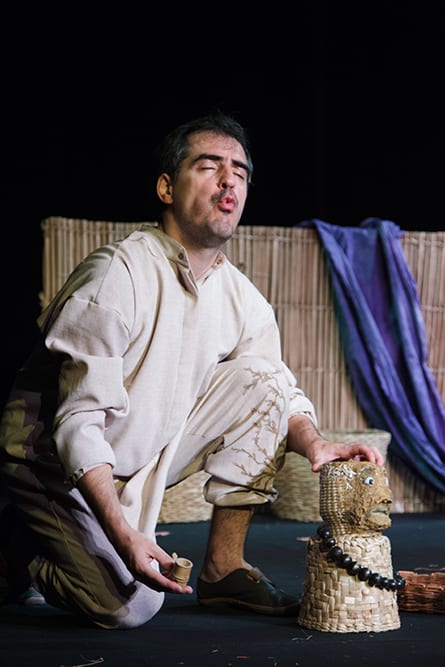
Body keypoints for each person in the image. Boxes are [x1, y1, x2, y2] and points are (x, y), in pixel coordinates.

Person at [0, 112, 384, 630]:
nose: (229, 181)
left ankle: (224, 570)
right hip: (49, 457)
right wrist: (125, 535)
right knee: (131, 605)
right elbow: (78, 425)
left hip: (137, 452)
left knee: (265, 380)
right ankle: (18, 550)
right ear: (166, 188)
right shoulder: (117, 274)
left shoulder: (242, 298)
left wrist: (315, 443)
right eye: (209, 166)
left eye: (240, 172)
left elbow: (279, 395)